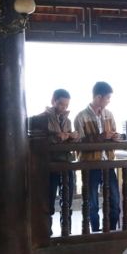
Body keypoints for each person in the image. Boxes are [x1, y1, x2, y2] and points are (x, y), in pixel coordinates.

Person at [29, 89, 79, 234]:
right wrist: (57, 138)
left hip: (66, 163)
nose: (63, 108)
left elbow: (70, 139)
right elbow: (38, 141)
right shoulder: (41, 119)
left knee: (67, 200)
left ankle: (66, 230)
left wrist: (73, 137)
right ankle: (46, 232)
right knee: (48, 200)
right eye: (61, 104)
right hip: (50, 164)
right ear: (53, 101)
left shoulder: (68, 121)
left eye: (66, 105)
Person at [74, 81, 121, 232]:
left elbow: (113, 132)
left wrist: (115, 137)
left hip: (108, 162)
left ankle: (111, 231)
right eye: (107, 98)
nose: (109, 101)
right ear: (98, 97)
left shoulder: (109, 114)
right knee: (92, 203)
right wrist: (100, 137)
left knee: (115, 200)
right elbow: (79, 142)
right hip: (90, 164)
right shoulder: (81, 117)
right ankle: (94, 232)